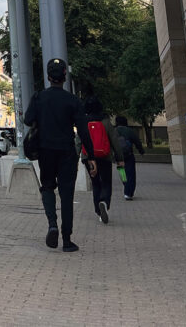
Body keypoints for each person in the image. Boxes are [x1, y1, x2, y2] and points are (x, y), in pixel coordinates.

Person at [24, 59, 96, 252]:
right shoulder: (73, 101)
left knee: (47, 187)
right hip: (66, 152)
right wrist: (91, 157)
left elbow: (28, 119)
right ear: (65, 76)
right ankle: (67, 240)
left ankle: (52, 225)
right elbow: (83, 130)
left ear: (48, 77)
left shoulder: (39, 97)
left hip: (45, 151)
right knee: (66, 194)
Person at [81, 96, 125, 224]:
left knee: (95, 184)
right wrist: (119, 158)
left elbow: (79, 141)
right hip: (104, 157)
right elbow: (115, 141)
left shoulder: (84, 122)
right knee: (106, 182)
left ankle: (98, 211)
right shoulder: (106, 122)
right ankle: (104, 201)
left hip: (88, 158)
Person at [114, 116, 145, 200]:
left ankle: (126, 186)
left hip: (118, 156)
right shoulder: (130, 131)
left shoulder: (114, 131)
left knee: (122, 172)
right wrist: (141, 151)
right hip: (129, 155)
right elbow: (137, 142)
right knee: (130, 174)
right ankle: (128, 193)